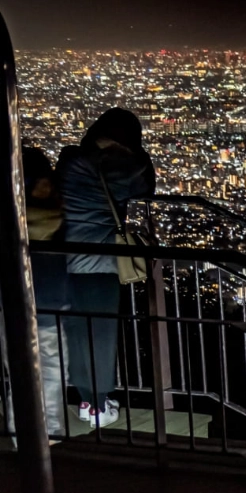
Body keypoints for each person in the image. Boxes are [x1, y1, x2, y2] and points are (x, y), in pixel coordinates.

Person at [57, 108, 155, 429]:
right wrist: (136, 154)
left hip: (66, 256)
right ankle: (99, 406)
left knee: (75, 330)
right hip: (101, 261)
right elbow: (146, 188)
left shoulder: (72, 160)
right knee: (101, 332)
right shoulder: (126, 166)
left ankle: (85, 399)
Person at [2, 147, 71, 448]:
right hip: (50, 303)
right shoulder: (60, 217)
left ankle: (24, 439)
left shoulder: (11, 220)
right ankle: (49, 440)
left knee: (19, 374)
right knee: (52, 373)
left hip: (15, 306)